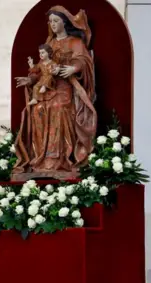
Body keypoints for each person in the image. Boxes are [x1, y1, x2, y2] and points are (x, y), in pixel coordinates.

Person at [13, 6, 97, 175]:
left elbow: (84, 60)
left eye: (56, 21)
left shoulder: (75, 42)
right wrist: (30, 79)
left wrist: (73, 68)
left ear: (64, 23)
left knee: (57, 108)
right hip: (48, 87)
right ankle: (41, 158)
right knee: (37, 109)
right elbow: (43, 68)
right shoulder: (49, 43)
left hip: (66, 88)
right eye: (50, 21)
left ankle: (60, 160)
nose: (52, 24)